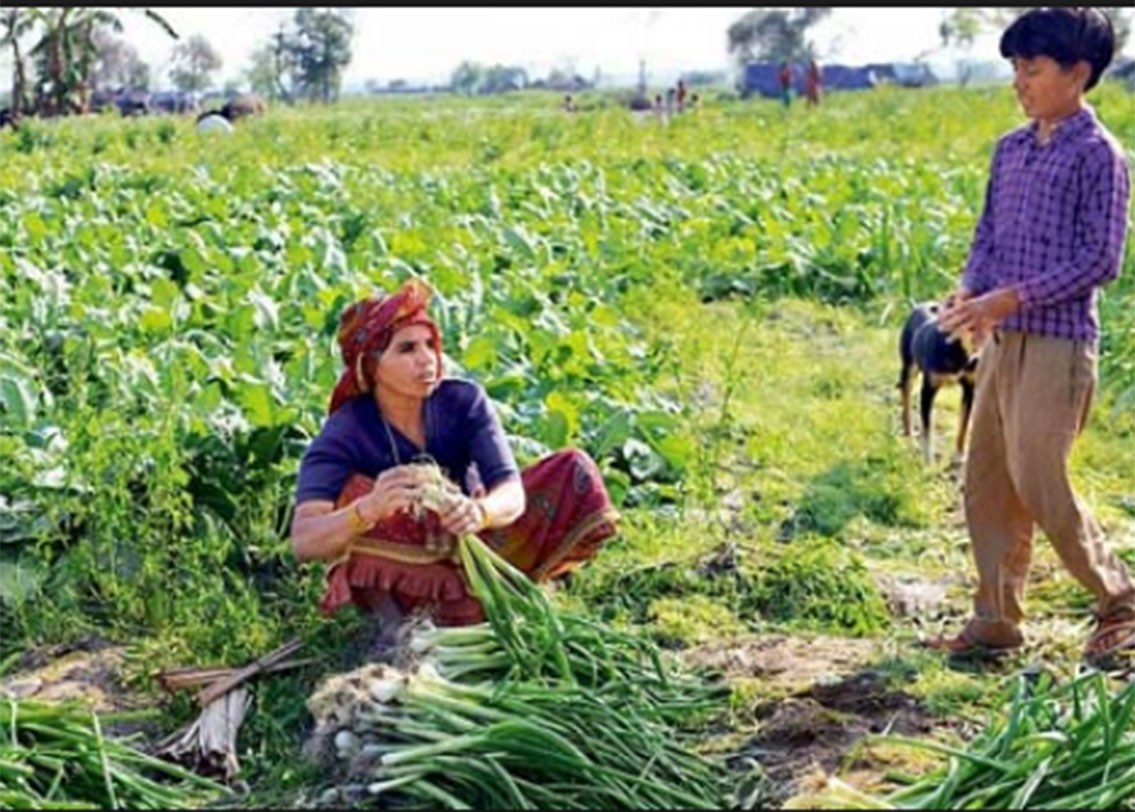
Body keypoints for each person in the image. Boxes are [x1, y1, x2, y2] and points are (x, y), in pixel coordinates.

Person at [928, 7, 1133, 665]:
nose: (1020, 82)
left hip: (1056, 344)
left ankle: (1120, 600)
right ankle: (994, 619)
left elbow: (1099, 260)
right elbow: (988, 238)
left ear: (1078, 73)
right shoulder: (1010, 150)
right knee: (986, 477)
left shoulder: (1098, 156)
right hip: (1002, 342)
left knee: (1039, 476)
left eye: (1033, 68)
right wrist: (969, 290)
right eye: (1015, 68)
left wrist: (1010, 296)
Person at [290, 279, 620, 651]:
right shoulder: (346, 430)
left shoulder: (464, 401)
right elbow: (303, 541)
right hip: (407, 565)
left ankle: (493, 591)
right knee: (355, 492)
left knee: (573, 469)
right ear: (372, 364)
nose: (427, 358)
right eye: (407, 349)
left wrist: (480, 512)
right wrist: (368, 509)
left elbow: (510, 490)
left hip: (469, 539)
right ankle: (400, 623)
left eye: (431, 344)